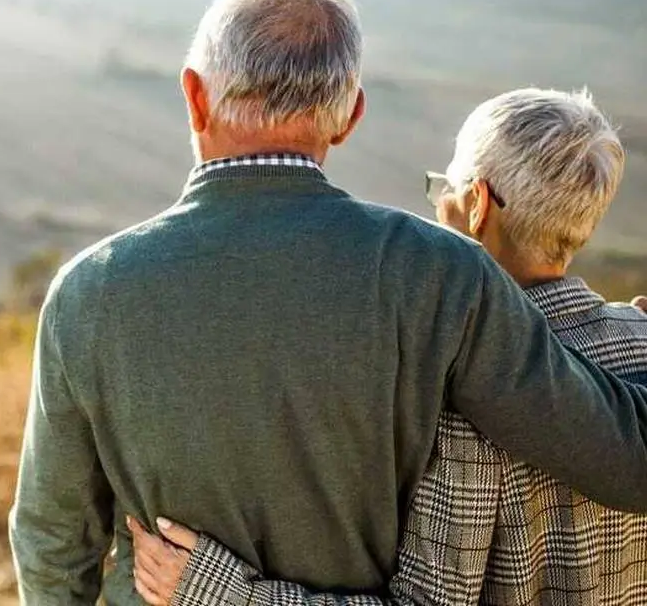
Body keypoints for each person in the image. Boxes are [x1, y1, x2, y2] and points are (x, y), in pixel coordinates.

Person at [8, 0, 647, 605]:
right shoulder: (440, 273)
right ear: (349, 116)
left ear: (195, 96)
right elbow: (620, 453)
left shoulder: (88, 290)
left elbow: (54, 539)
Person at [128, 89, 647, 605]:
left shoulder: (465, 396)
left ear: (477, 206)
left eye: (444, 187)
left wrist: (221, 593)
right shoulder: (640, 340)